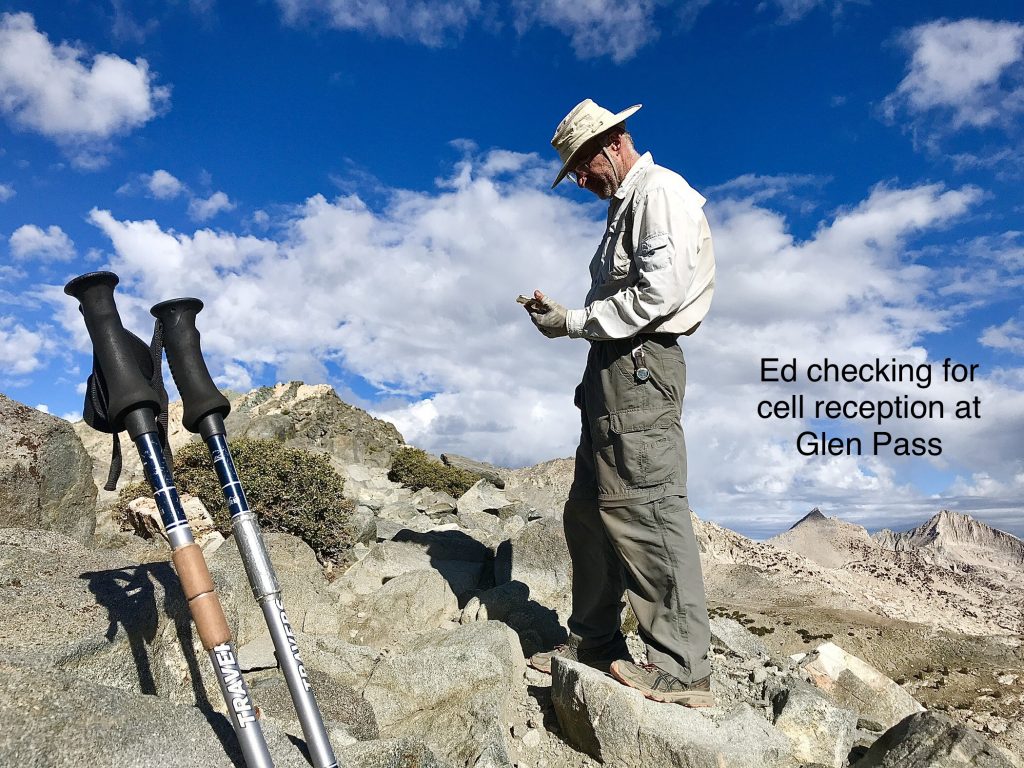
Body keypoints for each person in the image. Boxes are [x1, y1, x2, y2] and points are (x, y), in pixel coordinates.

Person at [523, 99, 716, 707]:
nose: (581, 181)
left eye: (582, 166)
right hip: (611, 370)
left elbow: (659, 294)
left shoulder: (660, 192)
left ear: (611, 143)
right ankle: (596, 642)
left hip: (640, 366)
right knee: (588, 512)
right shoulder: (624, 205)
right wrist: (567, 318)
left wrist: (572, 321)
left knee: (646, 507)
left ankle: (684, 668)